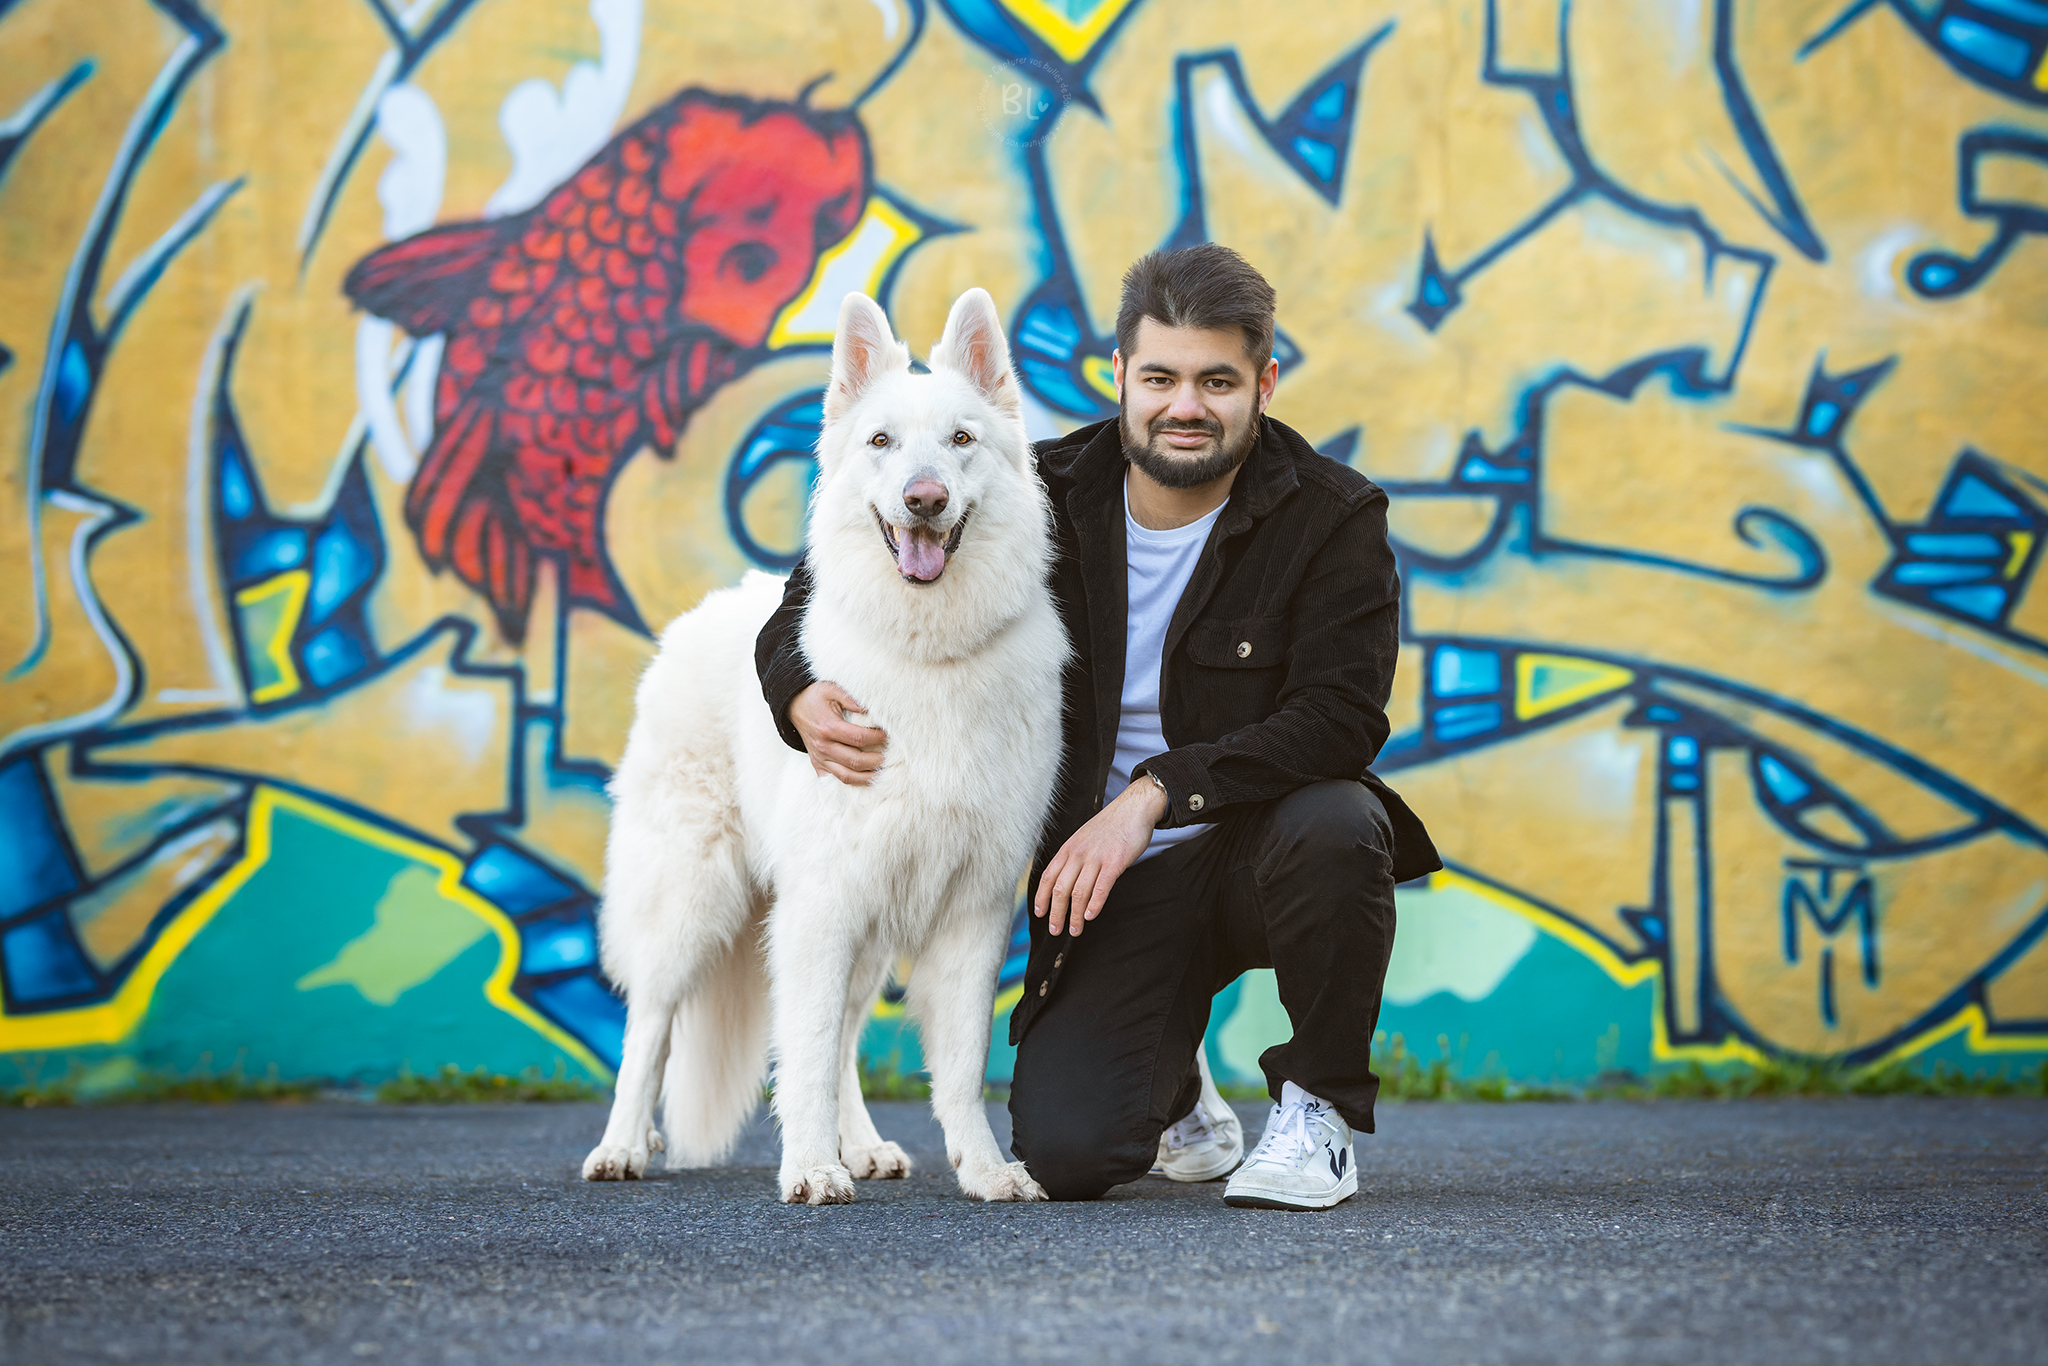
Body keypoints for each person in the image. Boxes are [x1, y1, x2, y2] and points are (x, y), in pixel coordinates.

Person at [756, 243, 1439, 1209]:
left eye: (1217, 381)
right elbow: (806, 593)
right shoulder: (1036, 485)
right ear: (1120, 376)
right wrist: (795, 696)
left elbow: (1340, 718)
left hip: (1256, 851)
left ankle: (1317, 1113)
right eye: (1159, 377)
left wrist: (1157, 793)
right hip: (1104, 891)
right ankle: (1179, 1082)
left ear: (1264, 385)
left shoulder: (1333, 518)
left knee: (1339, 823)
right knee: (1073, 1155)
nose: (1185, 407)